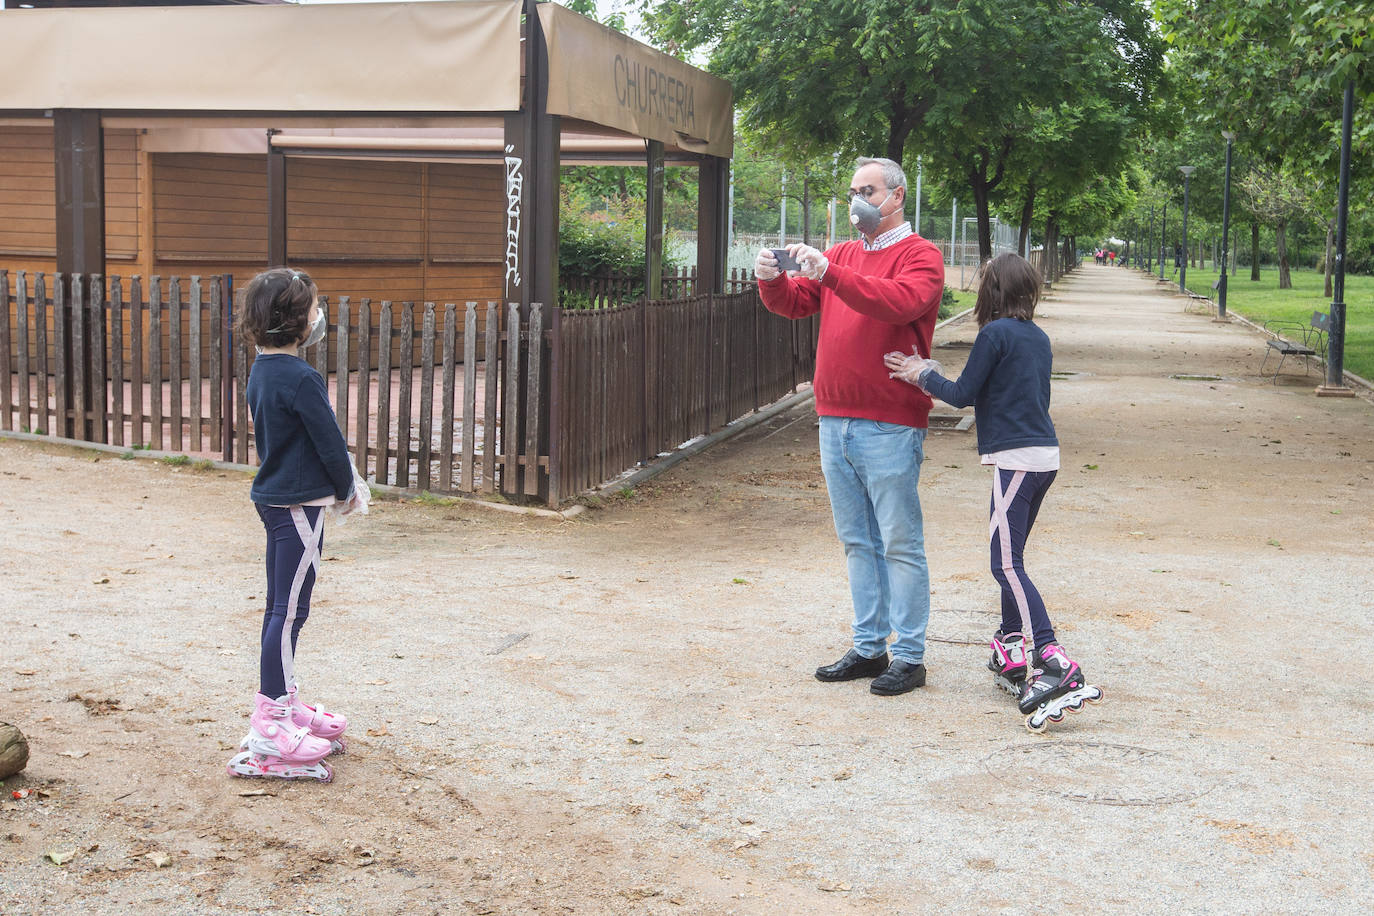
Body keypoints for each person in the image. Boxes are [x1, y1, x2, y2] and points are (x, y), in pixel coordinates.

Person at [884, 253, 1102, 730]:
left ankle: (1051, 658)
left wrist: (919, 373)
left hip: (1017, 461)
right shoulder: (1036, 337)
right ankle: (1009, 644)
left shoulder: (994, 334)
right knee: (1013, 556)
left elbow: (963, 394)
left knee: (1003, 563)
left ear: (991, 292)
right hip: (1042, 458)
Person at [754, 157, 945, 696]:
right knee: (857, 541)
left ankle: (908, 656)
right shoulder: (841, 253)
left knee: (899, 542)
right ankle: (869, 646)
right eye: (855, 189)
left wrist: (829, 271)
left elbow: (896, 303)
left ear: (897, 197)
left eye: (870, 189)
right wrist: (770, 280)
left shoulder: (922, 255)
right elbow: (797, 303)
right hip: (834, 417)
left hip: (889, 421)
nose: (859, 198)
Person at [225, 268, 367, 781]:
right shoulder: (302, 378)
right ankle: (271, 721)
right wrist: (349, 488)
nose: (317, 317)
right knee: (289, 612)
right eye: (312, 310)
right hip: (300, 505)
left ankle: (284, 701)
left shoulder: (262, 370)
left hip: (276, 499)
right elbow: (328, 440)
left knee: (281, 608)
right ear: (296, 322)